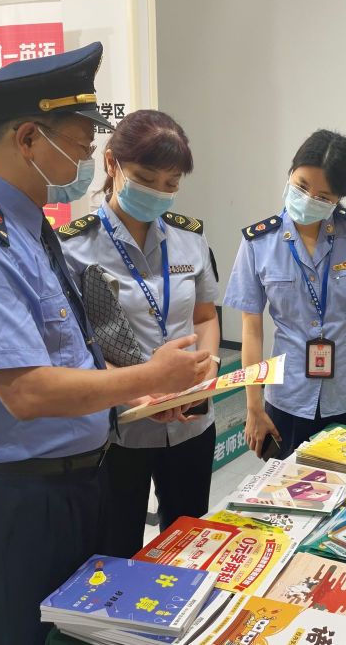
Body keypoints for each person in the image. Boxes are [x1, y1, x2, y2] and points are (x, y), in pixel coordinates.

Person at [0, 43, 210, 645]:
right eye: (79, 145)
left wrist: (134, 399)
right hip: (16, 501)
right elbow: (27, 391)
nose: (87, 160)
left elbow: (70, 352)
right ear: (27, 139)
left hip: (73, 484)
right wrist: (150, 377)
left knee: (79, 635)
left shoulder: (24, 222)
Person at [57, 110, 220, 554]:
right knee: (115, 549)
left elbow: (204, 317)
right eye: (146, 179)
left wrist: (207, 369)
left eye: (170, 183)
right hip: (118, 429)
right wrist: (136, 391)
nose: (158, 192)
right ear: (112, 163)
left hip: (190, 421)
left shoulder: (191, 239)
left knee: (188, 543)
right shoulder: (73, 247)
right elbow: (73, 350)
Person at [223, 130, 346, 459]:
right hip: (287, 396)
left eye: (323, 196)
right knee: (285, 485)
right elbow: (251, 328)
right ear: (291, 173)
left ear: (339, 198)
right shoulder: (259, 242)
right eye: (302, 186)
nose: (308, 199)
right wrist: (253, 405)